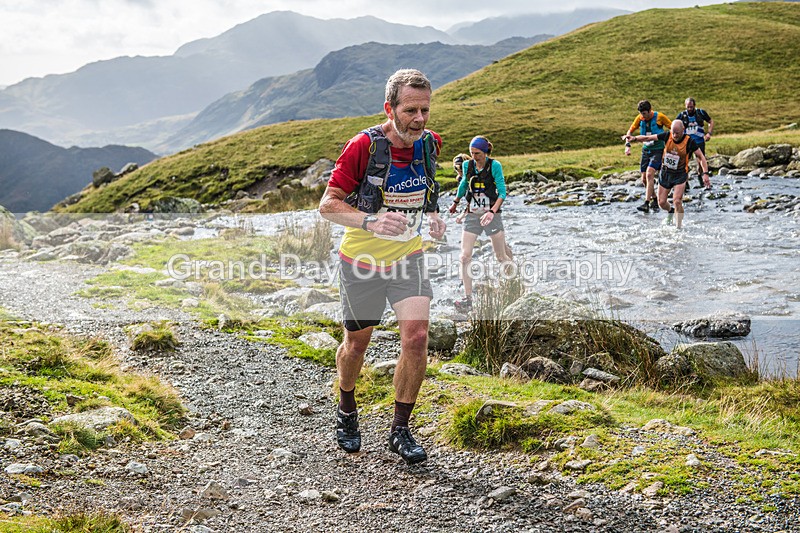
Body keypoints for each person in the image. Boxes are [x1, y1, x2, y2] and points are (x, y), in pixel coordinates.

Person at [318, 69, 445, 465]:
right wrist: (370, 221)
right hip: (362, 261)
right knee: (356, 344)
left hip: (409, 257)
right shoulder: (363, 147)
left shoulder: (429, 145)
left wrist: (435, 216)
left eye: (425, 110)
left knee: (417, 338)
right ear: (389, 109)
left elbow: (425, 192)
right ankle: (346, 408)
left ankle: (400, 429)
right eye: (411, 110)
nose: (420, 119)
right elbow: (328, 204)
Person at [448, 136, 512, 313]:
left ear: (485, 152)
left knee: (501, 257)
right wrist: (455, 202)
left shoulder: (495, 166)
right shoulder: (468, 166)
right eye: (471, 153)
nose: (474, 156)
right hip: (473, 215)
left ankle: (514, 287)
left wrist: (492, 212)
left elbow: (502, 192)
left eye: (477, 153)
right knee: (464, 257)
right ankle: (468, 299)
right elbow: (463, 184)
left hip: (492, 215)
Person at [624, 120, 710, 229]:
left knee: (677, 201)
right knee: (662, 203)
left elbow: (701, 157)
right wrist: (634, 138)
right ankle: (671, 211)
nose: (674, 135)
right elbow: (648, 138)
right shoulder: (667, 136)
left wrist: (705, 173)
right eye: (673, 132)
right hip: (665, 173)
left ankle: (679, 227)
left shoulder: (689, 141)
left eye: (677, 133)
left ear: (683, 130)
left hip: (680, 174)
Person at [623, 100, 673, 213]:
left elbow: (673, 129)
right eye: (641, 114)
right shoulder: (639, 118)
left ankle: (646, 203)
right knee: (644, 179)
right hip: (646, 151)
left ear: (650, 111)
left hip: (658, 150)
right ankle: (654, 199)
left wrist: (671, 143)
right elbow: (629, 132)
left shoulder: (660, 117)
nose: (643, 116)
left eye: (644, 113)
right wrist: (627, 146)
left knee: (650, 174)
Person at [675, 97, 714, 189]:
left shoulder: (701, 113)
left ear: (694, 106)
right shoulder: (682, 115)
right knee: (684, 163)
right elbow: (674, 126)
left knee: (701, 161)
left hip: (699, 142)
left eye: (691, 107)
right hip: (686, 143)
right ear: (685, 106)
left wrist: (709, 133)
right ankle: (685, 181)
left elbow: (711, 121)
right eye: (688, 107)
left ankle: (700, 176)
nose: (689, 109)